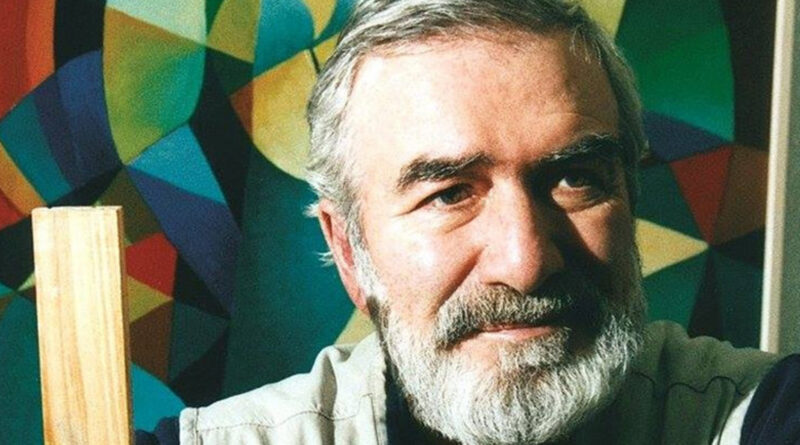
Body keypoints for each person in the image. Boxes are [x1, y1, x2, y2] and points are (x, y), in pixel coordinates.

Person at [138, 0, 800, 443]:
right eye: (450, 194)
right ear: (349, 251)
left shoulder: (758, 414)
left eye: (575, 178)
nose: (525, 261)